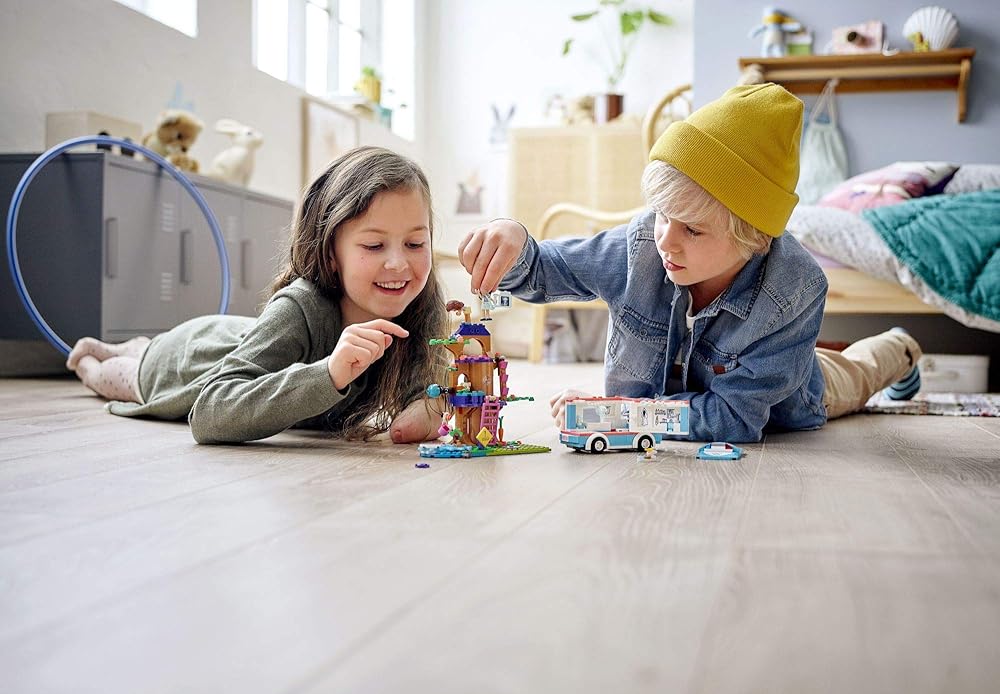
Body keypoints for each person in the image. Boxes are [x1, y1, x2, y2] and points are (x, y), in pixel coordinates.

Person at [457, 83, 922, 443]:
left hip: (791, 397)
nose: (666, 241)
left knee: (859, 371)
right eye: (663, 214)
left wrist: (617, 413)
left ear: (754, 238)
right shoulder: (644, 244)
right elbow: (545, 268)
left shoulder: (795, 289)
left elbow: (733, 419)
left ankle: (901, 348)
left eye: (693, 230)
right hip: (686, 394)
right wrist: (513, 240)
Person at [66, 146, 449, 445]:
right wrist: (329, 374)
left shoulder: (421, 306)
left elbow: (413, 415)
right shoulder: (301, 307)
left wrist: (443, 399)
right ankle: (96, 355)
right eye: (374, 246)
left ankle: (135, 346)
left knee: (157, 347)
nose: (399, 263)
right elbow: (210, 413)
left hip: (235, 338)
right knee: (109, 374)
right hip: (181, 365)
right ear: (331, 254)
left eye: (415, 243)